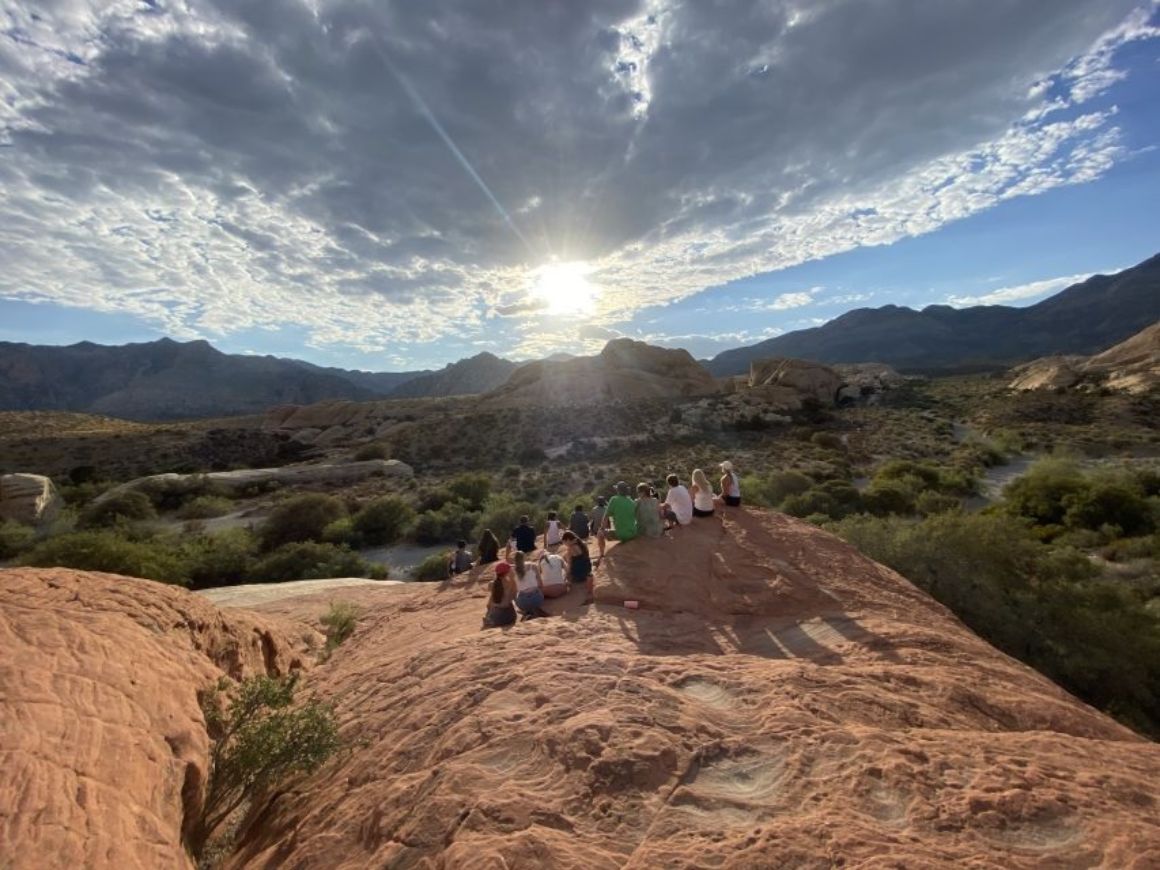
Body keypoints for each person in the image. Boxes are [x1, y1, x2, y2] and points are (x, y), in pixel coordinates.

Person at [512, 550, 549, 619]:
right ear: (524, 557)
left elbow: (514, 589)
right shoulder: (533, 566)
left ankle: (527, 611)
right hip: (537, 598)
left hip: (522, 601)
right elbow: (540, 584)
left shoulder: (513, 570)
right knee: (538, 591)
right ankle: (535, 609)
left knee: (515, 597)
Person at [562, 530, 594, 605]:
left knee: (565, 573)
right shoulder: (582, 544)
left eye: (564, 542)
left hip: (578, 576)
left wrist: (566, 576)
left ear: (568, 540)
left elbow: (569, 566)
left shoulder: (571, 548)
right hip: (587, 570)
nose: (564, 544)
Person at [482, 561, 517, 628]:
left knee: (492, 601)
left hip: (496, 617)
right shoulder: (510, 583)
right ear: (507, 573)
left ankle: (489, 619)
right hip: (510, 617)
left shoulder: (491, 584)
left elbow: (489, 603)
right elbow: (514, 596)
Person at [589, 495, 609, 561]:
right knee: (602, 539)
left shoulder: (594, 509)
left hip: (596, 529)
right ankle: (603, 552)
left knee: (600, 540)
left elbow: (592, 519)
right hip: (605, 528)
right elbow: (608, 519)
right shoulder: (606, 509)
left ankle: (601, 553)